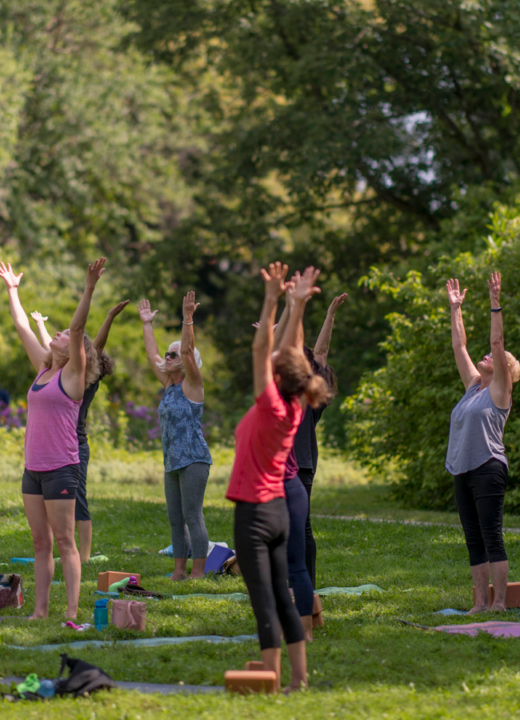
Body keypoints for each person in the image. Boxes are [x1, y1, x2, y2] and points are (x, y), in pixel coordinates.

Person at [226, 263, 330, 692]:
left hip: (253, 514)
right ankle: (299, 679)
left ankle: (269, 680)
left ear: (277, 377)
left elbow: (261, 349)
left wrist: (274, 300)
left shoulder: (270, 403)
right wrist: (298, 304)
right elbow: (289, 349)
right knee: (283, 594)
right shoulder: (294, 407)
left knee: (264, 599)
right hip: (279, 513)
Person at [0, 258, 106, 619]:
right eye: (56, 333)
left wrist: (89, 287)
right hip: (34, 468)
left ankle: (72, 612)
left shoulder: (74, 377)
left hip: (63, 468)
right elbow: (19, 325)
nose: (58, 333)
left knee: (65, 542)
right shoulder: (43, 370)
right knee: (40, 543)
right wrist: (12, 290)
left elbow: (77, 329)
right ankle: (41, 611)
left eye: (63, 334)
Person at [31, 301, 130, 562]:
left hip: (74, 444)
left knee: (79, 500)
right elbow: (49, 353)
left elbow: (93, 344)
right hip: (56, 446)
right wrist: (41, 325)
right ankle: (68, 551)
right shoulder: (61, 372)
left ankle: (83, 556)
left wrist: (109, 317)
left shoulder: (82, 375)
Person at [446, 273, 520, 613]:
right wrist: (455, 309)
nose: (487, 357)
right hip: (462, 468)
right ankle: (479, 603)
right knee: (473, 540)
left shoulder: (500, 390)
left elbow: (496, 343)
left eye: (494, 358)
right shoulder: (474, 386)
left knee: (491, 536)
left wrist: (494, 301)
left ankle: (500, 604)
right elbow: (459, 346)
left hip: (488, 466)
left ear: (504, 369)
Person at [138, 291, 211, 580]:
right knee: (175, 519)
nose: (166, 357)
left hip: (194, 460)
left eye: (173, 354)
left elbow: (184, 351)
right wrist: (146, 324)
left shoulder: (193, 384)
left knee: (192, 516)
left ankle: (198, 572)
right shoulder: (168, 384)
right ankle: (179, 571)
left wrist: (187, 319)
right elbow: (150, 354)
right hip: (172, 461)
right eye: (167, 353)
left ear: (186, 360)